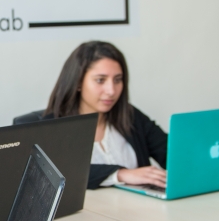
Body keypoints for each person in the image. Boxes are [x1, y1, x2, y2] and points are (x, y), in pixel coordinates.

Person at [43, 41, 169, 189]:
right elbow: (62, 173)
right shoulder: (52, 127)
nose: (111, 91)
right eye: (100, 80)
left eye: (117, 80)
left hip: (138, 203)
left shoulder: (130, 116)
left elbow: (171, 155)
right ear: (78, 82)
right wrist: (120, 174)